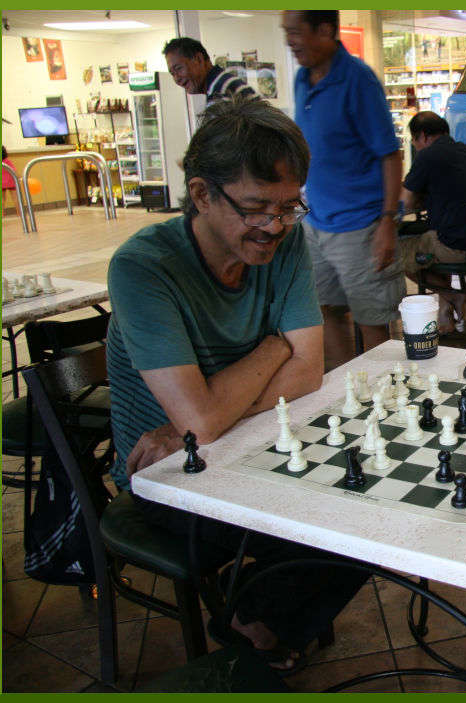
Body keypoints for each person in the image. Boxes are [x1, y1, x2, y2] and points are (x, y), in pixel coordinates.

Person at [106, 97, 367, 673]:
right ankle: (259, 627)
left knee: (374, 502)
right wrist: (275, 344)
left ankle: (254, 619)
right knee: (342, 519)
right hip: (167, 479)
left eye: (288, 208)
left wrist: (211, 413)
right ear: (201, 195)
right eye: (255, 208)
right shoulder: (142, 267)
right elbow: (200, 421)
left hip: (246, 444)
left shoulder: (288, 241)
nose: (274, 227)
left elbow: (308, 371)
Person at [284, 11, 404, 369]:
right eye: (286, 32)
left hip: (362, 226)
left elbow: (390, 155)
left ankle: (383, 404)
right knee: (325, 313)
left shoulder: (358, 81)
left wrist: (386, 223)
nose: (290, 41)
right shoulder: (302, 78)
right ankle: (345, 391)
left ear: (325, 30)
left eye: (295, 32)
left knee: (372, 321)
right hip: (316, 221)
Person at [398, 111, 466, 334]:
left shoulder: (428, 156)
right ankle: (445, 316)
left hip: (456, 248)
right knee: (432, 237)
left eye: (414, 142)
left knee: (397, 252)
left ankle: (452, 295)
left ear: (422, 136)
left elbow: (405, 202)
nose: (416, 147)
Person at [162, 37, 257, 104]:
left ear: (199, 59)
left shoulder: (220, 91)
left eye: (179, 68)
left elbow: (219, 132)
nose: (177, 79)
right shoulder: (223, 82)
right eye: (172, 73)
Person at [2, 146, 19, 215]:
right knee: (15, 198)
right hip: (10, 181)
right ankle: (19, 213)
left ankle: (1, 214)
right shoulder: (7, 161)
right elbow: (13, 170)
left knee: (2, 199)